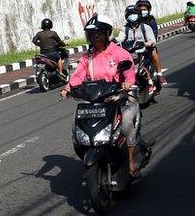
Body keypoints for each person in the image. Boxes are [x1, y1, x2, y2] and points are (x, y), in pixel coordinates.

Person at [61, 14, 143, 177]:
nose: (94, 37)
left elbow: (129, 72)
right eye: (91, 34)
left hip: (120, 98)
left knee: (126, 122)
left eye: (98, 33)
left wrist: (127, 82)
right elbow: (78, 75)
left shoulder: (119, 53)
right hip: (96, 101)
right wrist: (68, 88)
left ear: (107, 34)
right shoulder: (87, 57)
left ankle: (131, 162)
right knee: (77, 125)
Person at [122, 5, 159, 89]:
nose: (132, 16)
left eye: (134, 14)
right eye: (130, 14)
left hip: (143, 52)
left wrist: (144, 44)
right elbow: (120, 39)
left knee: (143, 65)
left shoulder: (145, 27)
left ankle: (151, 82)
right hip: (129, 54)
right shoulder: (125, 29)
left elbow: (152, 41)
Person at [134, 0, 165, 82]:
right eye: (141, 10)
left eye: (145, 10)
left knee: (153, 51)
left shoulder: (151, 21)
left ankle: (159, 74)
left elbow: (154, 34)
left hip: (148, 45)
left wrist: (148, 43)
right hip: (135, 46)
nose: (143, 11)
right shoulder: (135, 21)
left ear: (148, 10)